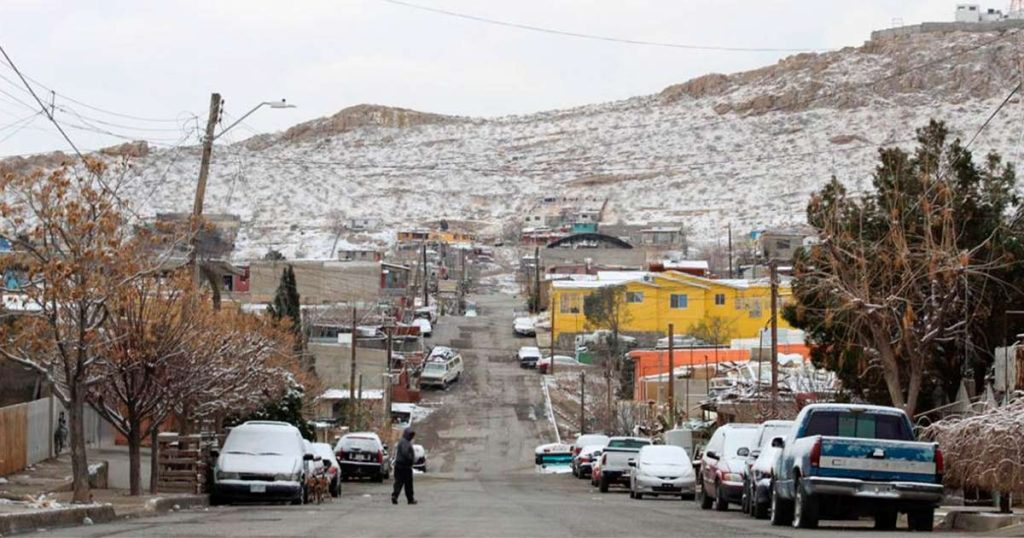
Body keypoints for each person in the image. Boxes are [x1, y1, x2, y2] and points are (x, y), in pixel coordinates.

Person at [391, 427, 417, 505]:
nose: (411, 436)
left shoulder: (402, 441)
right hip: (405, 466)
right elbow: (405, 452)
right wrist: (410, 459)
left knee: (398, 482)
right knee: (408, 484)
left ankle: (395, 496)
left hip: (399, 465)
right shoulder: (405, 442)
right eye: (410, 435)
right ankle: (410, 499)